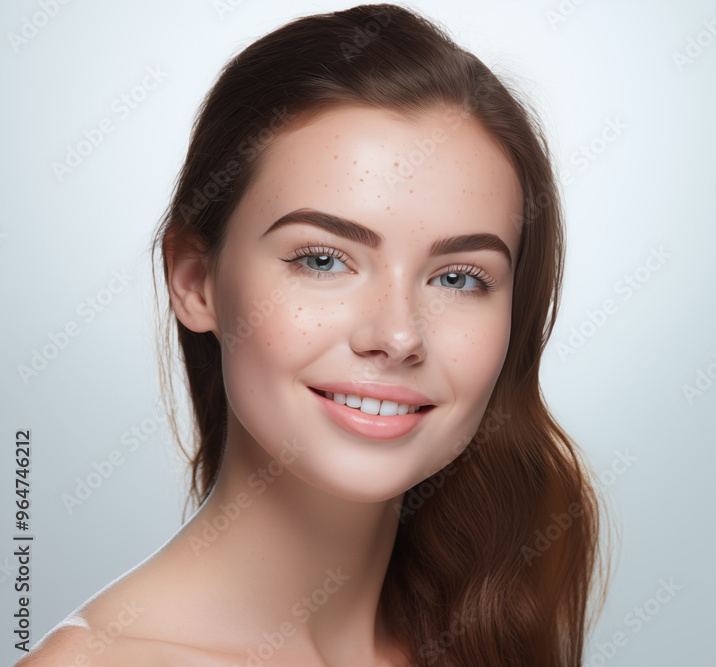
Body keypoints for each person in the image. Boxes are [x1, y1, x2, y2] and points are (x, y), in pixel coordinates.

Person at [18, 4, 613, 665]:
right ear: (195, 282)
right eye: (323, 259)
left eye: (459, 278)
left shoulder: (489, 625)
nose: (396, 334)